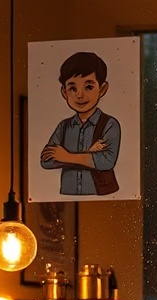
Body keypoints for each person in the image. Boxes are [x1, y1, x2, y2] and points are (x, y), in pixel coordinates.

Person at [39, 51, 121, 196]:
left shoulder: (109, 124)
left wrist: (65, 156)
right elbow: (46, 161)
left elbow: (107, 161)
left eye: (89, 87)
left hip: (101, 196)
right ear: (64, 93)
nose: (80, 95)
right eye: (72, 88)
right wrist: (88, 156)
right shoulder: (64, 126)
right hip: (67, 195)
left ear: (102, 89)